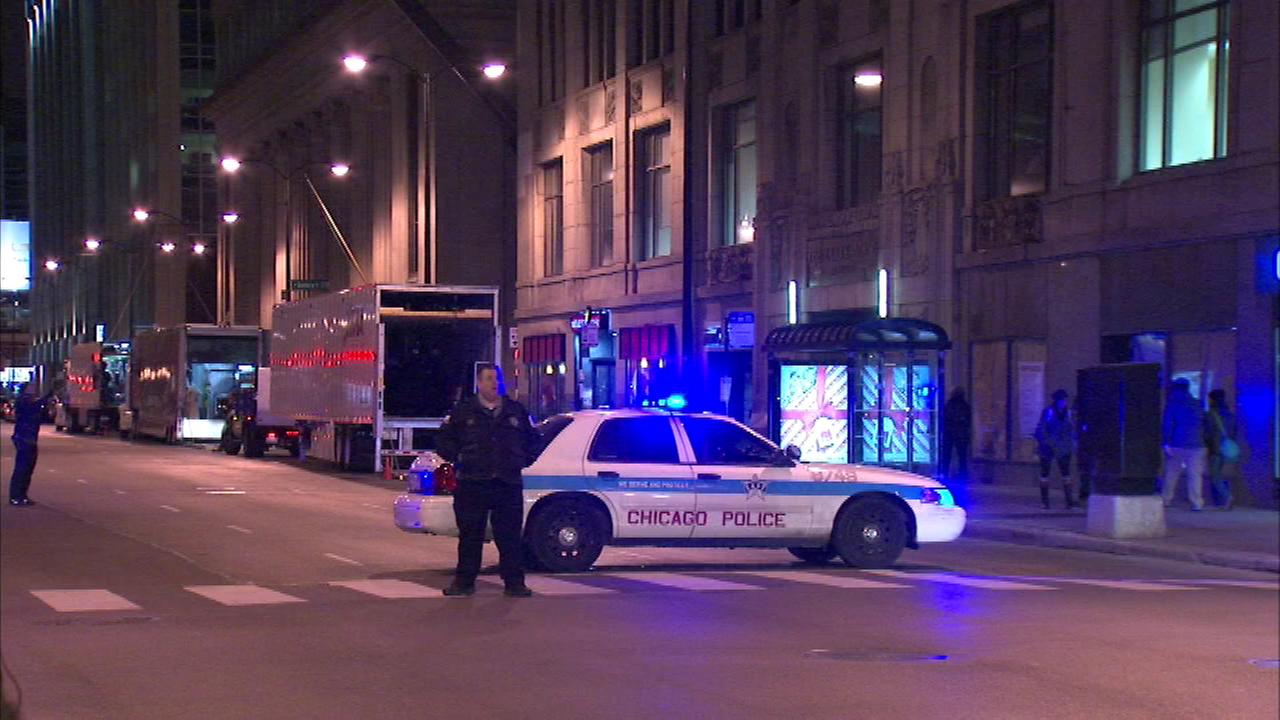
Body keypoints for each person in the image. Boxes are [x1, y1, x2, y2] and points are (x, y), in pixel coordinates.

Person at [435, 364, 539, 598]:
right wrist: (459, 458)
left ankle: (514, 583)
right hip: (473, 483)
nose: (495, 383)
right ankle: (464, 583)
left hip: (507, 483)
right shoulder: (463, 412)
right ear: (479, 383)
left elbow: (534, 441)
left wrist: (521, 461)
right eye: (490, 378)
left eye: (498, 378)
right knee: (471, 535)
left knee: (510, 536)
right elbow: (443, 441)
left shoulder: (515, 412)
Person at [8, 381, 59, 506]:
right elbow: (32, 409)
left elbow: (42, 416)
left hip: (30, 439)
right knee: (22, 468)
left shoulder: (30, 401)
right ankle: (16, 496)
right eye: (31, 387)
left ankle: (22, 495)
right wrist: (45, 398)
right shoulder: (23, 401)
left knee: (28, 469)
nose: (34, 389)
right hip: (24, 438)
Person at [1160, 378, 1207, 511]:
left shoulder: (1173, 405)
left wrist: (1166, 442)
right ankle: (1197, 503)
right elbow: (1204, 423)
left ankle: (1166, 499)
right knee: (1195, 475)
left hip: (1177, 443)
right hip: (1198, 444)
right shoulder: (1198, 403)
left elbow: (1168, 425)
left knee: (1172, 474)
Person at [1034, 389, 1076, 510]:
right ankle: (1045, 502)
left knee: (1066, 474)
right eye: (1061, 400)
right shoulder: (1048, 412)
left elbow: (1072, 429)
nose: (1063, 402)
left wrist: (1071, 443)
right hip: (1048, 446)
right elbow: (1041, 429)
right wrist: (1045, 442)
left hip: (1063, 447)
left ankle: (1069, 502)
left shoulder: (1068, 413)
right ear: (1056, 401)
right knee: (1045, 474)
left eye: (1064, 400)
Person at [1205, 389, 1239, 510]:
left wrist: (1207, 445)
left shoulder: (1211, 414)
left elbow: (1207, 433)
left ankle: (1227, 497)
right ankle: (1224, 500)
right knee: (1218, 474)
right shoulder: (1230, 414)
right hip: (1226, 449)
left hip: (1215, 449)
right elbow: (1234, 432)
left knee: (1215, 476)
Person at [941, 389, 971, 482]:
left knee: (947, 455)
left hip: (949, 433)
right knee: (962, 456)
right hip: (961, 434)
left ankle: (945, 473)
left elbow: (945, 419)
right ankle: (963, 475)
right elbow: (968, 420)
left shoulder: (949, 405)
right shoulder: (965, 405)